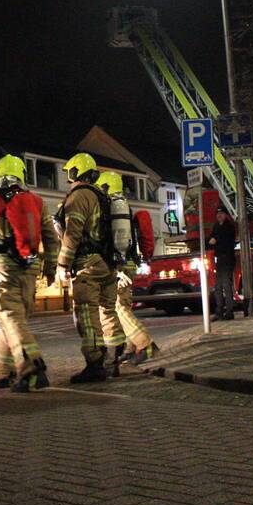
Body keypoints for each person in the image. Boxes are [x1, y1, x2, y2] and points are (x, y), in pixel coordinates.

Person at [0, 155, 59, 392]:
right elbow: (50, 238)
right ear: (22, 176)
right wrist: (50, 268)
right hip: (29, 267)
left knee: (10, 317)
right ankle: (2, 373)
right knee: (13, 319)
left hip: (0, 266)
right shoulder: (37, 201)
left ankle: (31, 367)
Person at [55, 153, 121, 383]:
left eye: (69, 174)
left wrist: (63, 263)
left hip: (87, 265)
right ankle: (113, 360)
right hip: (106, 265)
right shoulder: (102, 196)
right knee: (107, 312)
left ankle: (95, 365)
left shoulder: (79, 197)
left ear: (75, 172)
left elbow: (72, 234)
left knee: (86, 314)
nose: (69, 180)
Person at [96, 171, 158, 370]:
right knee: (125, 305)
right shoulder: (125, 208)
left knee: (118, 307)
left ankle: (145, 344)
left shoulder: (111, 209)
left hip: (120, 265)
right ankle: (131, 349)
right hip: (129, 262)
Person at [207, 207, 237, 321]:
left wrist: (215, 240)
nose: (219, 215)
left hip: (227, 258)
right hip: (219, 259)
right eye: (218, 213)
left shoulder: (229, 226)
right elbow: (210, 240)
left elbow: (225, 240)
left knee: (226, 285)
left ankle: (229, 311)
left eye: (221, 213)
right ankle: (219, 311)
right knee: (218, 286)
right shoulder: (216, 226)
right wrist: (213, 240)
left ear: (225, 215)